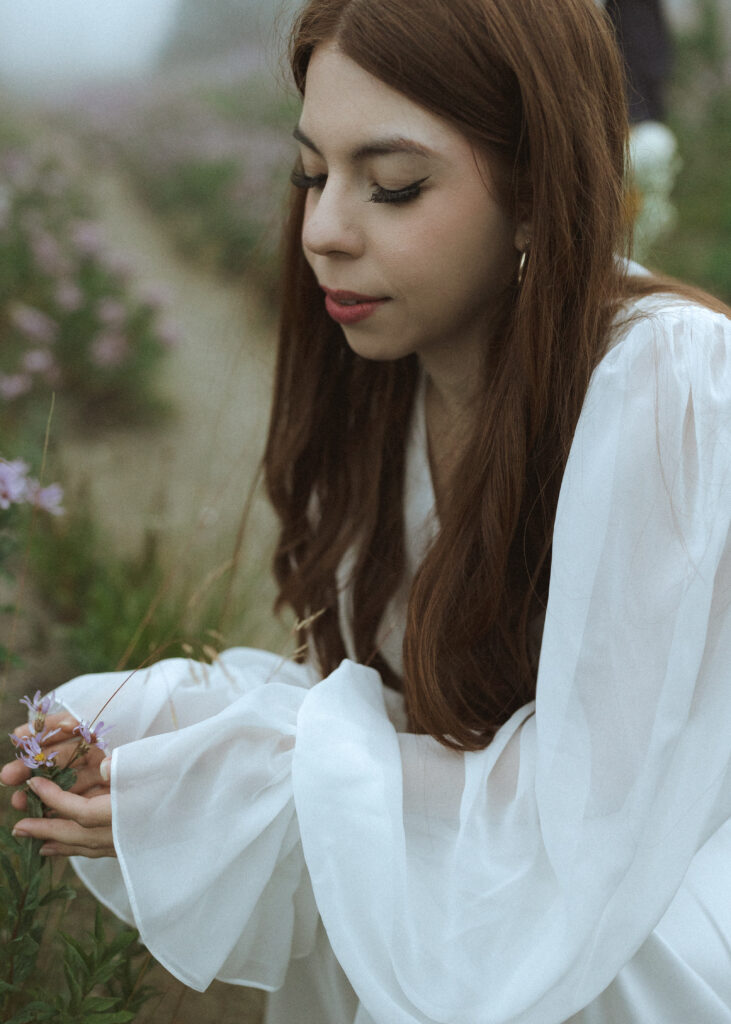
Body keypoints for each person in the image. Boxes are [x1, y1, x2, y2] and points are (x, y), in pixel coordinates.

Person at [2, 0, 730, 1021]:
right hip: (477, 916)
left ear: (534, 188)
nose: (321, 231)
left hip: (629, 938)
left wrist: (258, 782)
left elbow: (583, 823)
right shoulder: (389, 371)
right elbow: (382, 714)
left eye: (392, 186)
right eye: (310, 173)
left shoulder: (668, 381)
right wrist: (175, 723)